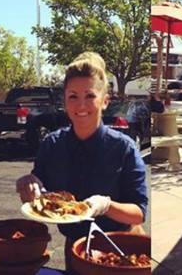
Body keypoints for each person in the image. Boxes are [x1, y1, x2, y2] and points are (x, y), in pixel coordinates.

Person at [16, 53, 147, 270]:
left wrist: (106, 205)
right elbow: (39, 196)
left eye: (90, 96)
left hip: (119, 248)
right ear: (64, 101)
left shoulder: (123, 148)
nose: (81, 105)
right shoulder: (52, 144)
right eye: (73, 96)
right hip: (74, 248)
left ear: (105, 101)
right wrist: (28, 186)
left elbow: (139, 213)